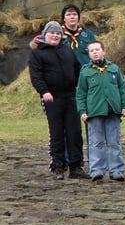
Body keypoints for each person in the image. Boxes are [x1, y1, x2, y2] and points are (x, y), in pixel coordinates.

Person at [28, 21, 90, 180]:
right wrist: (44, 91)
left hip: (71, 96)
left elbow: (77, 70)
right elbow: (36, 76)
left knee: (75, 131)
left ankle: (76, 166)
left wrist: (82, 86)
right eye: (52, 33)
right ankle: (58, 166)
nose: (55, 35)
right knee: (56, 132)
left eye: (58, 33)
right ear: (45, 34)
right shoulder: (37, 53)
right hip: (52, 97)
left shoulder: (67, 50)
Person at [76, 40, 125, 182]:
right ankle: (96, 170)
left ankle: (116, 170)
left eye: (97, 49)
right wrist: (82, 111)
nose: (95, 52)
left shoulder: (114, 69)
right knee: (96, 142)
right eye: (91, 50)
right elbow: (81, 94)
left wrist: (124, 106)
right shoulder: (85, 71)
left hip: (113, 111)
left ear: (103, 51)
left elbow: (122, 89)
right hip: (94, 112)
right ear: (89, 54)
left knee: (114, 142)